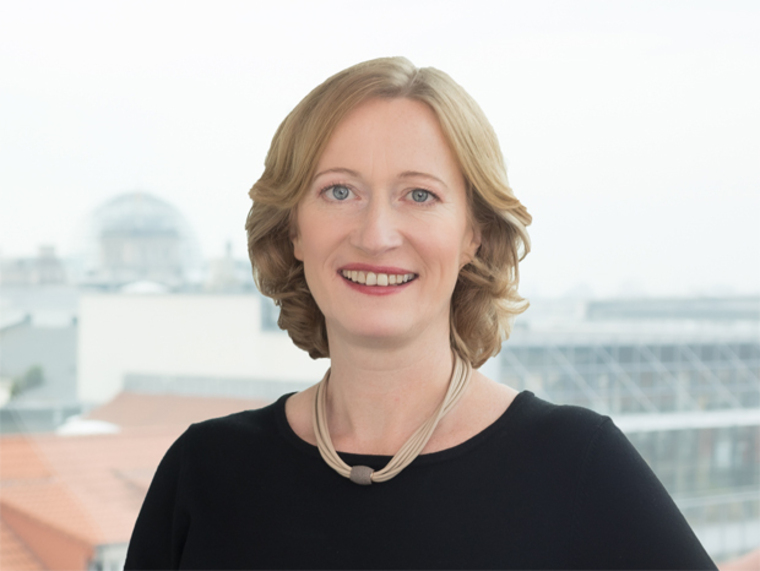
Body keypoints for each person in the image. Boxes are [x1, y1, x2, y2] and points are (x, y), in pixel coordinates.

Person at [125, 57, 716, 570]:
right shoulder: (204, 472)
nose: (376, 235)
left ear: (473, 235)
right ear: (294, 229)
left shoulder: (577, 464)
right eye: (339, 191)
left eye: (420, 195)